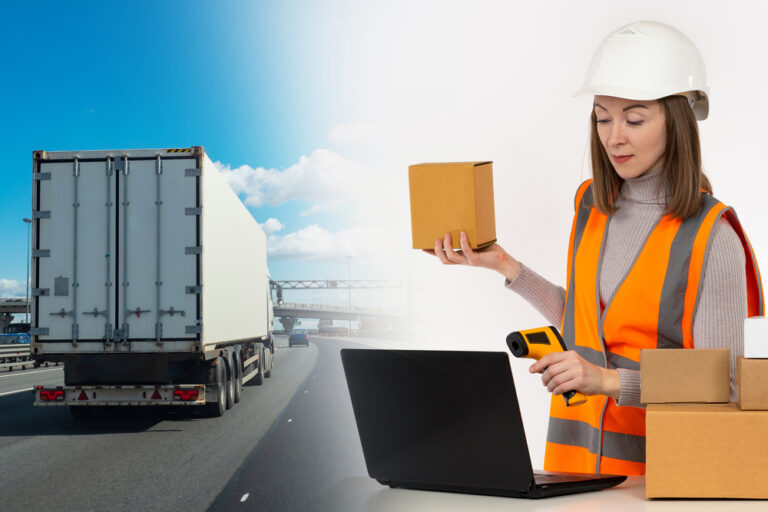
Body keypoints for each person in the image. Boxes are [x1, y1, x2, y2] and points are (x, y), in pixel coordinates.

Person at [425, 20, 764, 476]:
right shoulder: (592, 205)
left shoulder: (712, 237)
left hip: (665, 478)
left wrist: (606, 381)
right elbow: (587, 325)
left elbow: (725, 384)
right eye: (602, 117)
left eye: (635, 119)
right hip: (575, 472)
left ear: (677, 122)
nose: (613, 137)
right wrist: (505, 267)